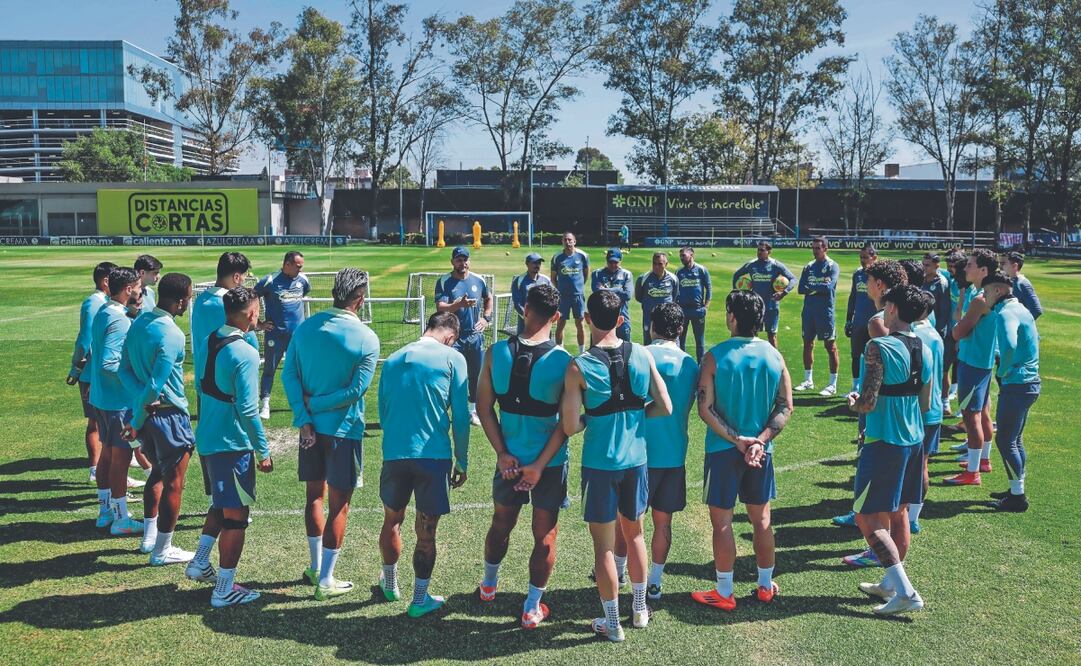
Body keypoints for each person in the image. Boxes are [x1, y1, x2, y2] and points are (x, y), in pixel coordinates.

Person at [560, 290, 672, 642]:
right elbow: (665, 405)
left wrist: (593, 421)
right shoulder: (641, 353)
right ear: (621, 320)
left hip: (600, 464)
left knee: (604, 548)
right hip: (636, 461)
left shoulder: (579, 365)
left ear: (588, 320)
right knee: (635, 534)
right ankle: (639, 609)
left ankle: (612, 623)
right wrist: (635, 415)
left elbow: (569, 426)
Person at [475, 283, 571, 629]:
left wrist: (502, 453)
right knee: (544, 534)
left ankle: (488, 586)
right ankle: (532, 607)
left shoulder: (495, 352)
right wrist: (540, 466)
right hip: (549, 464)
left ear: (523, 308)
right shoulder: (564, 362)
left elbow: (484, 409)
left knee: (501, 523)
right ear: (557, 317)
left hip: (510, 463)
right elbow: (569, 424)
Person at [282, 268, 380, 600]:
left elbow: (289, 375)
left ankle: (315, 567)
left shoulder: (306, 327)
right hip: (344, 431)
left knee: (314, 497)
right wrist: (318, 405)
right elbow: (355, 391)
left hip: (310, 430)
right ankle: (326, 579)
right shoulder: (367, 338)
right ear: (361, 298)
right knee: (339, 506)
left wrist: (304, 415)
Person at [692, 290, 793, 612]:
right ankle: (765, 586)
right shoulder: (775, 356)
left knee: (722, 523)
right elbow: (785, 407)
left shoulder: (714, 356)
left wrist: (737, 440)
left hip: (723, 450)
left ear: (732, 317)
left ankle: (725, 591)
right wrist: (760, 440)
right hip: (762, 452)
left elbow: (704, 409)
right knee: (761, 520)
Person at [376, 313, 470, 618]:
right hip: (433, 457)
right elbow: (461, 416)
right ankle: (419, 599)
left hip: (395, 453)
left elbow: (383, 409)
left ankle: (390, 584)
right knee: (426, 532)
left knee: (392, 520)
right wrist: (463, 458)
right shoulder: (453, 358)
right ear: (451, 336)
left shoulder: (392, 359)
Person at [847, 285, 933, 616]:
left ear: (893, 309)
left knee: (866, 517)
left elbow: (867, 401)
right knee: (898, 514)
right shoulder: (924, 348)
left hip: (885, 440)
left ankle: (907, 591)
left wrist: (855, 402)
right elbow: (925, 401)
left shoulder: (878, 346)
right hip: (914, 440)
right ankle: (889, 583)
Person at [194, 286, 274, 608]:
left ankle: (200, 561)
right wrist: (263, 449)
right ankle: (224, 589)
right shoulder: (245, 352)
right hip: (231, 443)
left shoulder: (208, 339)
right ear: (252, 313)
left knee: (221, 504)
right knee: (237, 516)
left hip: (209, 438)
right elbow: (248, 410)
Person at [118, 273, 197, 565]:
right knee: (174, 482)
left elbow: (123, 369)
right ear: (180, 300)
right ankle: (163, 550)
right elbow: (155, 386)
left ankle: (150, 538)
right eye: (189, 296)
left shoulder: (139, 323)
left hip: (150, 418)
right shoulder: (173, 335)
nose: (189, 301)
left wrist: (139, 411)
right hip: (168, 416)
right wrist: (137, 418)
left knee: (157, 474)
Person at [638, 303, 698, 600]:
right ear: (681, 329)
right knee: (664, 522)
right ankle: (655, 582)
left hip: (637, 455)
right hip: (674, 455)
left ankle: (621, 571)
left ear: (652, 325)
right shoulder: (691, 365)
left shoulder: (639, 355)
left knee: (630, 521)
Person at [88, 267, 146, 537]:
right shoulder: (119, 319)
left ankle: (105, 512)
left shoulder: (105, 311)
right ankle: (121, 518)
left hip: (102, 398)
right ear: (127, 290)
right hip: (117, 402)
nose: (140, 290)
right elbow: (109, 363)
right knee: (119, 458)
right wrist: (138, 385)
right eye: (137, 286)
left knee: (108, 455)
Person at [982, 271, 1039, 512]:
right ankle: (1016, 489)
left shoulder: (1006, 313)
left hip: (1017, 384)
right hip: (1028, 384)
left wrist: (1003, 371)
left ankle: (1018, 497)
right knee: (1014, 439)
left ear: (998, 291)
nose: (984, 297)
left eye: (985, 292)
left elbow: (1010, 346)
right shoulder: (1021, 308)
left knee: (1006, 440)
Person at [946, 249, 1000, 486]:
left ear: (983, 270)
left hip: (974, 362)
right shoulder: (981, 293)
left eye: (969, 265)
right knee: (983, 413)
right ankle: (983, 460)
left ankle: (973, 472)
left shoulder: (981, 299)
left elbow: (958, 331)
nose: (964, 268)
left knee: (971, 416)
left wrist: (958, 330)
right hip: (980, 361)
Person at [68, 261, 116, 485]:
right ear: (105, 280)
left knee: (105, 422)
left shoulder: (105, 302)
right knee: (95, 422)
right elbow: (84, 339)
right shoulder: (93, 303)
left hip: (101, 373)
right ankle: (95, 469)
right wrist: (76, 368)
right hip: (91, 374)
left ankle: (106, 469)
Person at [435, 246, 492, 426]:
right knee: (449, 374)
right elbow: (440, 307)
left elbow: (488, 298)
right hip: (453, 336)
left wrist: (486, 317)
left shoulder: (479, 280)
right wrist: (458, 305)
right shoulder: (444, 281)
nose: (463, 263)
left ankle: (473, 410)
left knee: (476, 374)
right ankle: (444, 408)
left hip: (475, 336)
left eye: (465, 259)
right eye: (459, 260)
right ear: (452, 262)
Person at [254, 251, 311, 419]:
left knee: (303, 371)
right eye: (298, 266)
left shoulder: (303, 281)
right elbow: (251, 299)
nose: (300, 269)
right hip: (275, 335)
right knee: (269, 369)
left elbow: (304, 292)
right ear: (287, 264)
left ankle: (304, 403)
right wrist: (259, 324)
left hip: (297, 337)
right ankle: (265, 405)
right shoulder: (270, 281)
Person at [908, 290, 944, 534]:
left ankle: (902, 517)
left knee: (906, 467)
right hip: (935, 409)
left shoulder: (914, 335)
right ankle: (914, 517)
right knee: (922, 465)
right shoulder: (935, 334)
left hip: (917, 409)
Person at [796, 237, 841, 396]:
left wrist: (813, 287)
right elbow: (801, 289)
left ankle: (832, 384)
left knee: (830, 347)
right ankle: (808, 380)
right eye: (813, 248)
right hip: (808, 312)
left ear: (825, 249)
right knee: (807, 344)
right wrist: (819, 286)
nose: (814, 251)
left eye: (818, 248)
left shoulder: (832, 266)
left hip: (825, 313)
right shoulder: (808, 266)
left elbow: (828, 287)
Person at [731, 240, 795, 348]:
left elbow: (793, 279)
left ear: (769, 252)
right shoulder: (751, 265)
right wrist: (738, 291)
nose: (759, 252)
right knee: (752, 335)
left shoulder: (776, 265)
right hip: (755, 306)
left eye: (762, 250)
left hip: (771, 306)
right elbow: (736, 275)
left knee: (772, 335)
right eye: (758, 250)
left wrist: (784, 292)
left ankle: (774, 361)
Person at [844, 245, 878, 394]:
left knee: (874, 355)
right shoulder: (857, 274)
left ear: (874, 258)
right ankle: (855, 387)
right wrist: (848, 319)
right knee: (856, 354)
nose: (863, 260)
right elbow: (853, 297)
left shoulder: (879, 275)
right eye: (861, 257)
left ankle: (872, 387)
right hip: (858, 321)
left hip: (875, 322)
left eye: (866, 257)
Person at [550, 232, 589, 351]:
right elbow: (553, 278)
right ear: (562, 242)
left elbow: (586, 274)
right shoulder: (557, 257)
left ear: (574, 241)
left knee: (580, 324)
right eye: (565, 240)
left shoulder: (582, 256)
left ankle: (581, 352)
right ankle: (559, 350)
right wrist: (560, 289)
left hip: (578, 296)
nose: (567, 242)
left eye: (570, 240)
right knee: (560, 324)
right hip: (563, 297)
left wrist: (578, 287)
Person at [675, 246, 712, 363]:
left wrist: (706, 306)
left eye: (683, 256)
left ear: (691, 255)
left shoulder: (702, 270)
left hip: (698, 310)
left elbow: (709, 287)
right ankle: (682, 364)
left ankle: (701, 365)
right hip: (683, 311)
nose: (681, 258)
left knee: (699, 341)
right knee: (681, 340)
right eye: (680, 256)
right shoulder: (679, 272)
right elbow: (675, 291)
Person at [635, 252, 679, 345]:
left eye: (660, 264)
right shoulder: (643, 278)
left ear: (666, 264)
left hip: (667, 318)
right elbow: (639, 297)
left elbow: (674, 297)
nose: (656, 266)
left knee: (668, 343)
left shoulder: (673, 279)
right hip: (649, 318)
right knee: (648, 343)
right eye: (654, 263)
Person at [590, 248, 634, 341]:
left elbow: (628, 295)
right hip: (601, 318)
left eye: (616, 262)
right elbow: (598, 294)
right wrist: (619, 291)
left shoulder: (627, 274)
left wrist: (607, 289)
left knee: (624, 351)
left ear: (620, 261)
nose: (613, 265)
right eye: (611, 262)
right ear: (607, 261)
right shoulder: (597, 274)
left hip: (622, 317)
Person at [509, 253, 551, 335]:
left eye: (539, 263)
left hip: (543, 321)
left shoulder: (546, 280)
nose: (537, 265)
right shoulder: (519, 281)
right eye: (534, 263)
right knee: (524, 345)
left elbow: (552, 300)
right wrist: (528, 317)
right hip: (525, 322)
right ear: (527, 264)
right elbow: (517, 303)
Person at [1002, 251, 1043, 320]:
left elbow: (1036, 310)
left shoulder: (1022, 284)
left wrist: (1022, 324)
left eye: (1003, 263)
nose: (1000, 266)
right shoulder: (1006, 281)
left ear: (1014, 266)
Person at [921, 253, 951, 342]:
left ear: (936, 266)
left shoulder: (941, 284)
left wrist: (938, 330)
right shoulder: (922, 279)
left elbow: (944, 310)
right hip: (922, 326)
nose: (924, 267)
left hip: (934, 329)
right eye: (923, 264)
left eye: (927, 265)